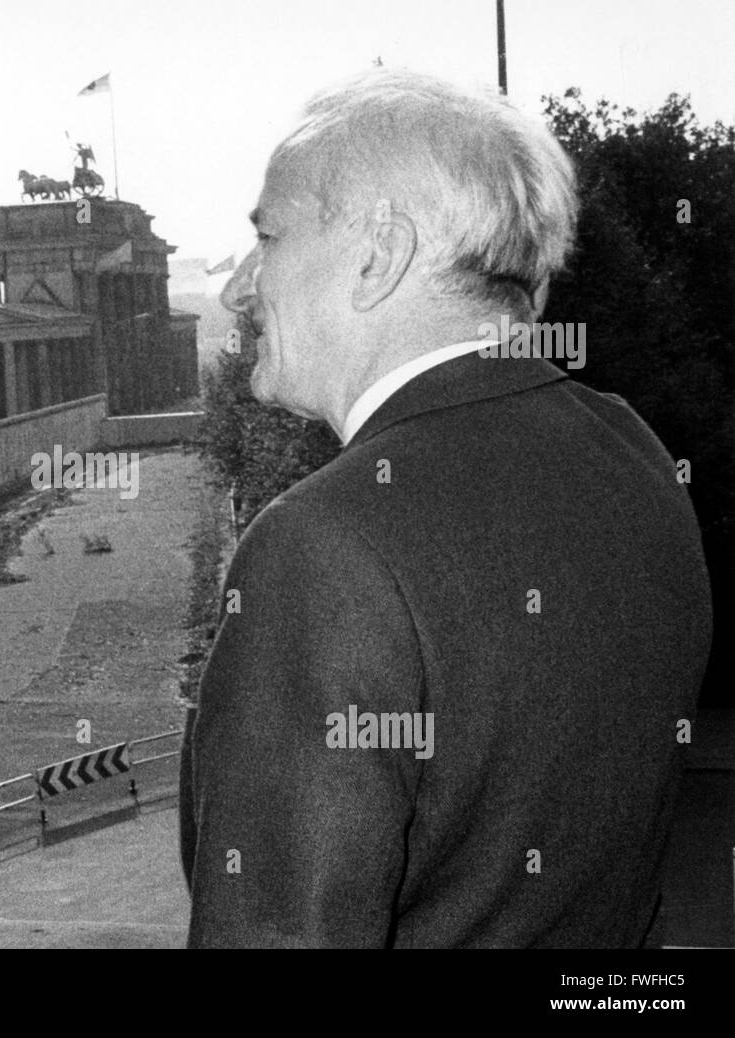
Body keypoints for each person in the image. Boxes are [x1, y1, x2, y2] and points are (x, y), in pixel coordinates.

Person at [180, 68, 712, 948]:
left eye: (266, 236)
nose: (239, 287)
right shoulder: (634, 451)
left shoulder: (323, 546)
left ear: (380, 254)